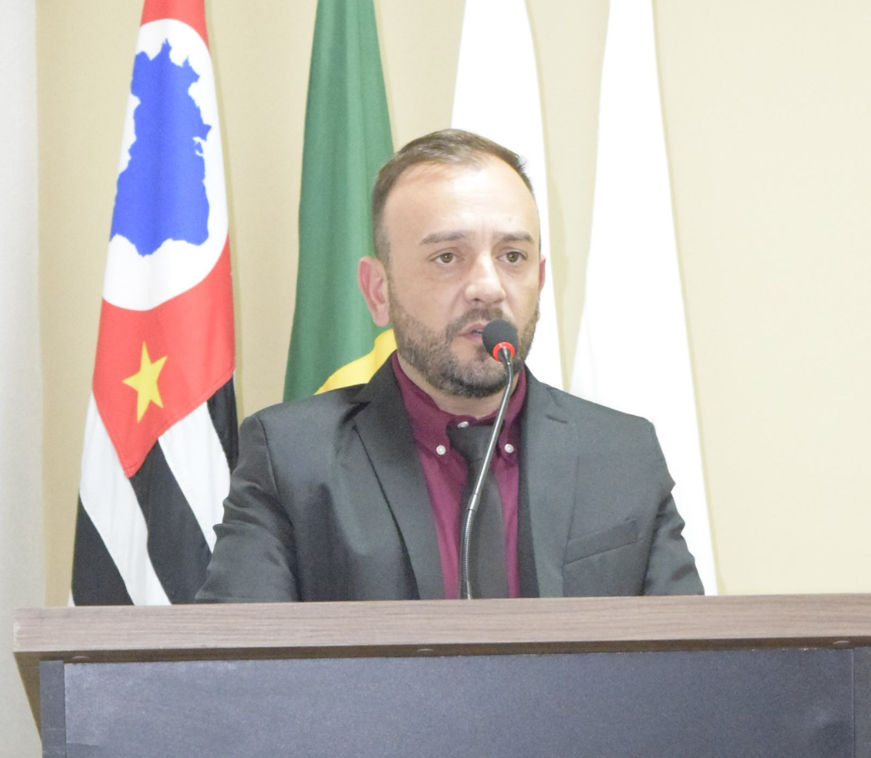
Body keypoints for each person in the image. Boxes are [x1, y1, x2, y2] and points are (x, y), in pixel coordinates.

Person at [197, 129, 703, 601]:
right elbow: (240, 658)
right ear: (378, 292)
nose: (488, 287)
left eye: (512, 256)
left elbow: (689, 656)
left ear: (541, 279)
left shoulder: (624, 457)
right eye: (447, 257)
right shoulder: (291, 459)